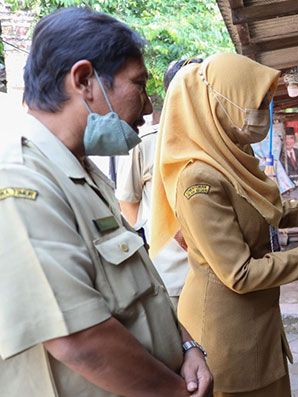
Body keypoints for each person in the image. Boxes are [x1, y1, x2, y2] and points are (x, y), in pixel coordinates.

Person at [0, 7, 212, 397]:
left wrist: (186, 345)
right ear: (85, 81)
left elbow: (141, 288)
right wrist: (176, 393)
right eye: (139, 84)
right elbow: (79, 340)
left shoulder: (80, 169)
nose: (148, 108)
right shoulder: (19, 179)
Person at [150, 52, 298, 397]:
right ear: (221, 105)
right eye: (255, 102)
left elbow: (271, 211)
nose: (264, 110)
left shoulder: (235, 157)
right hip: (226, 334)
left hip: (259, 321)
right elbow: (240, 274)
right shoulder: (199, 180)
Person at [116, 57, 203, 307]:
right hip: (173, 276)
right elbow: (128, 202)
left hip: (221, 273)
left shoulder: (220, 140)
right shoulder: (145, 143)